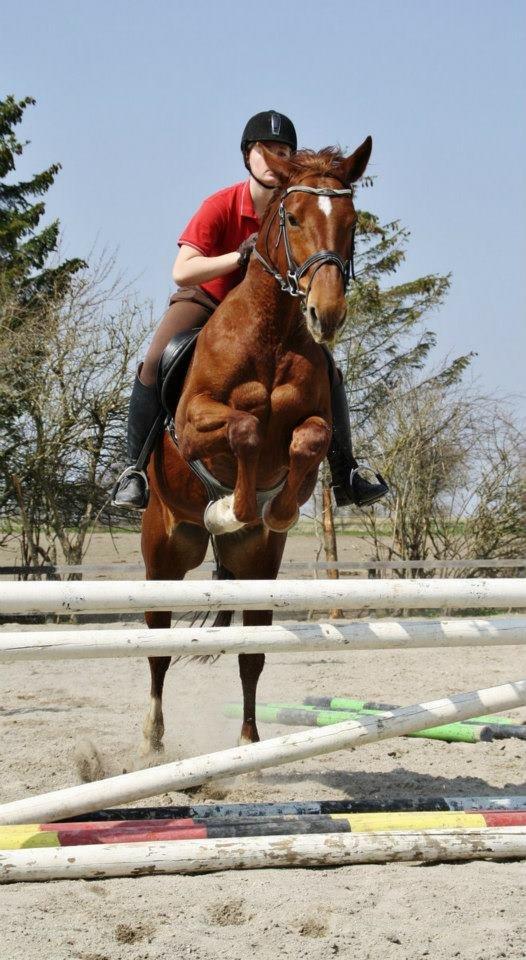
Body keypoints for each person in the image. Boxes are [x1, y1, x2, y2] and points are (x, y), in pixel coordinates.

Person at [112, 110, 388, 511]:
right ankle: (133, 470)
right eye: (267, 149)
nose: (277, 154)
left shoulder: (299, 205)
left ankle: (347, 471)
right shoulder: (222, 204)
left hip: (273, 316)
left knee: (329, 369)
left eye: (284, 149)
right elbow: (181, 271)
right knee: (156, 359)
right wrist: (237, 259)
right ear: (248, 157)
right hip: (208, 299)